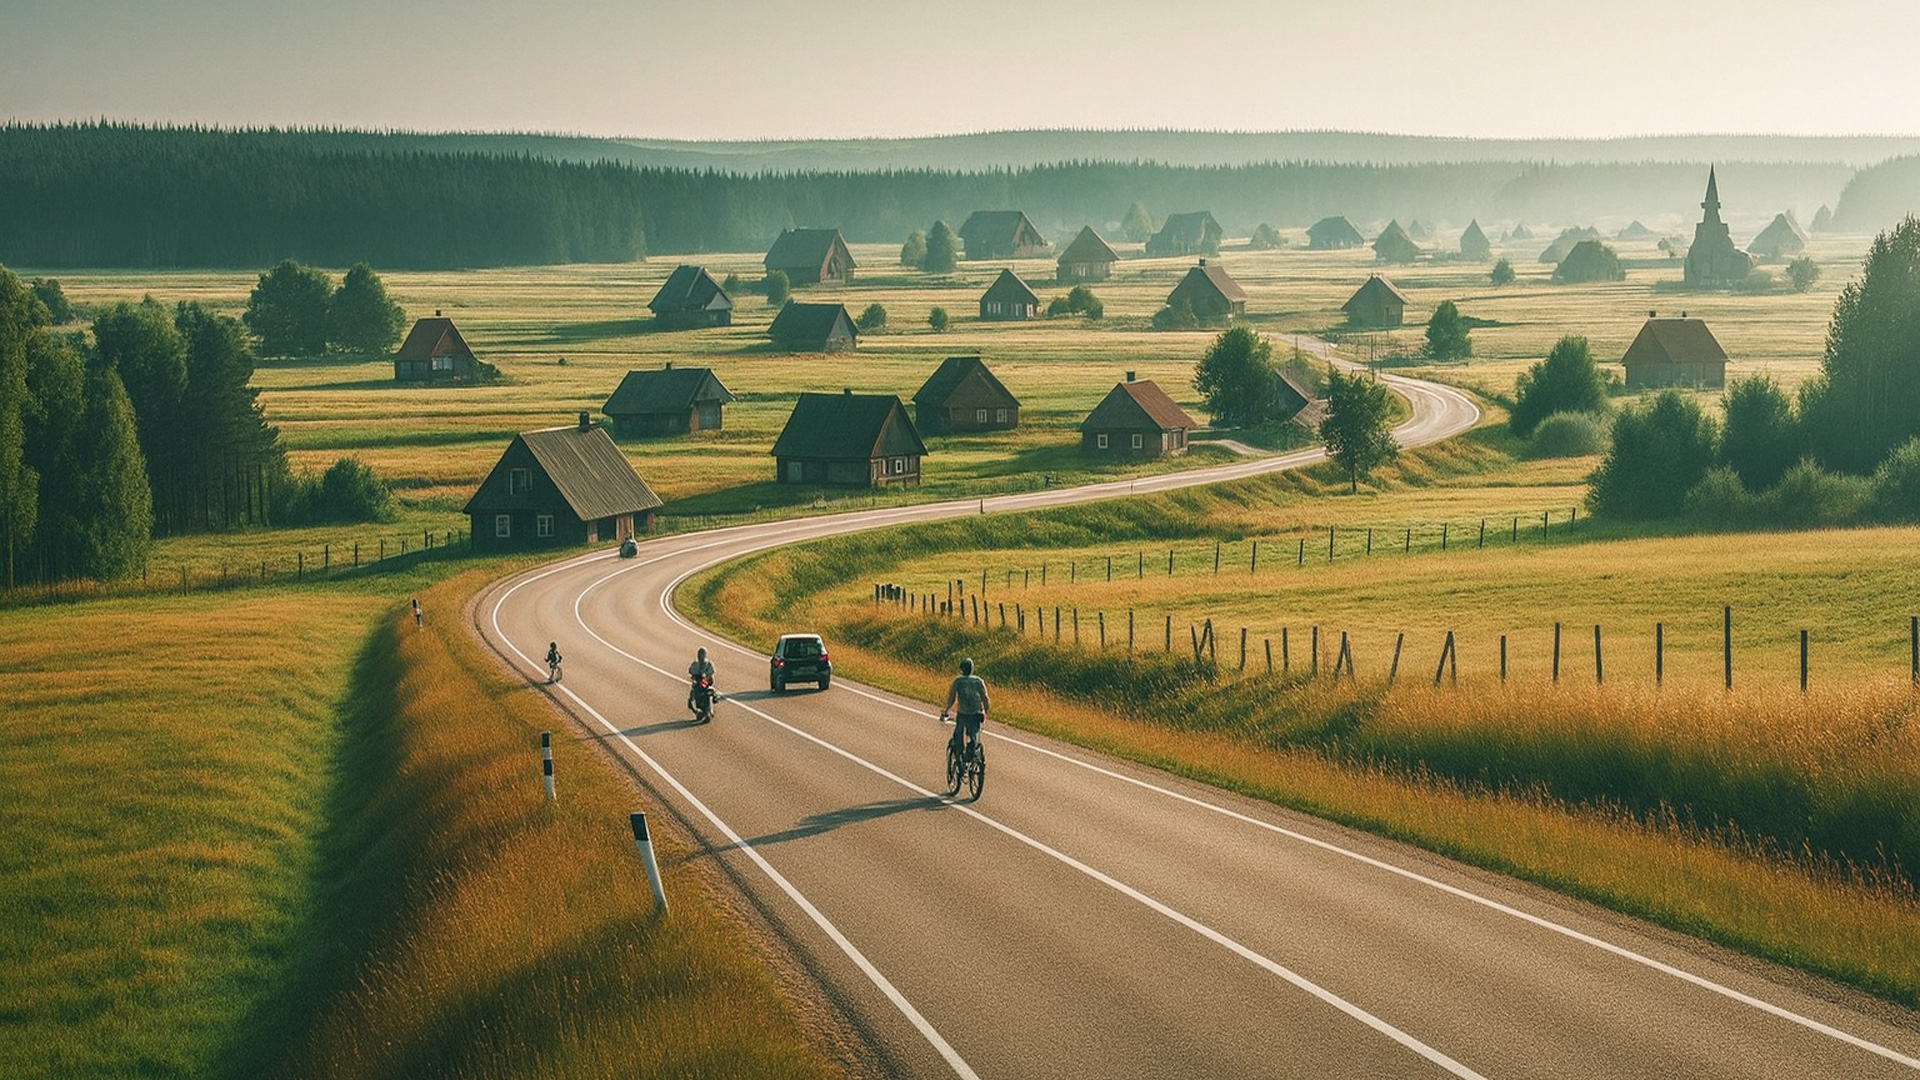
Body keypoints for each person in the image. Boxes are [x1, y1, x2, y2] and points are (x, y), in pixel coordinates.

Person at [940, 658, 989, 760]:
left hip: (963, 714)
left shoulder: (958, 681)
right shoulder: (978, 681)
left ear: (962, 669)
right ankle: (973, 747)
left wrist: (946, 711)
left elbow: (952, 699)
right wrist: (985, 711)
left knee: (958, 733)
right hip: (976, 714)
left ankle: (960, 754)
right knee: (973, 733)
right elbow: (985, 698)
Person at [687, 646, 715, 711]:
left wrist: (706, 677)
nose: (701, 656)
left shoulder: (708, 664)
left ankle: (712, 700)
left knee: (712, 691)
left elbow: (711, 673)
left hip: (705, 681)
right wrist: (694, 676)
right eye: (700, 654)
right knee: (693, 689)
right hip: (697, 681)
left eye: (702, 654)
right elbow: (691, 671)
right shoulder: (695, 664)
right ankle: (691, 701)